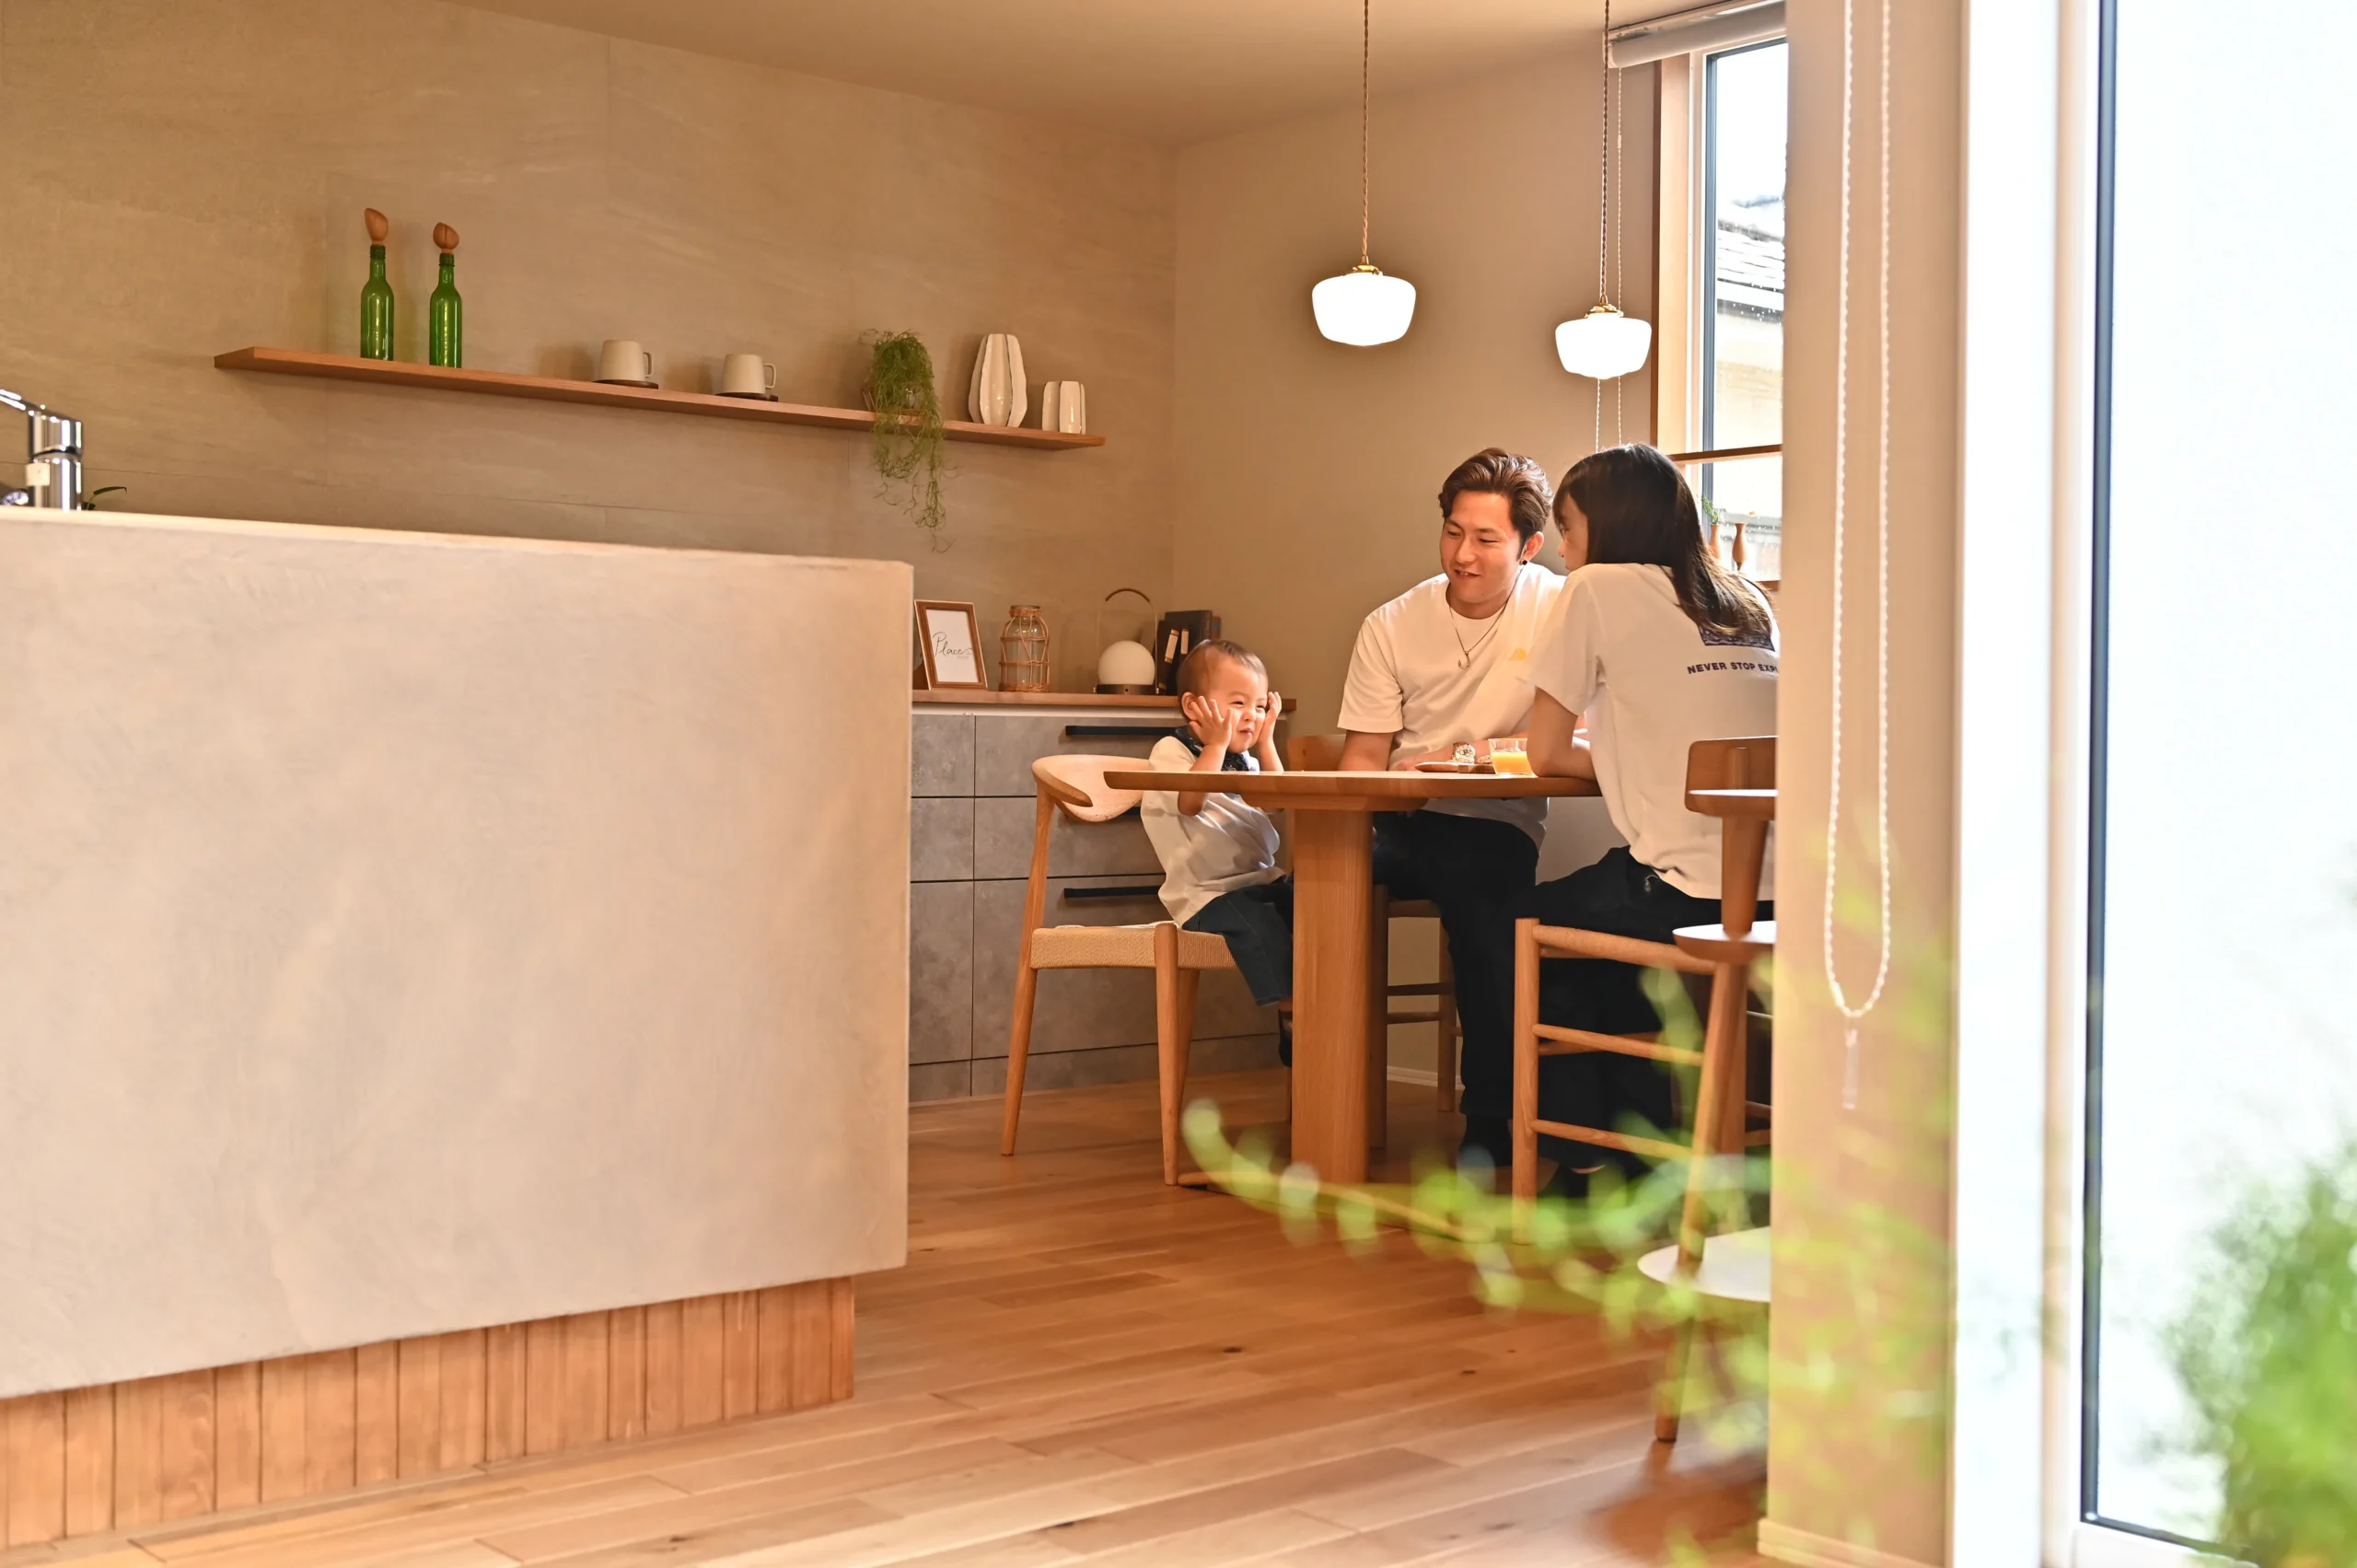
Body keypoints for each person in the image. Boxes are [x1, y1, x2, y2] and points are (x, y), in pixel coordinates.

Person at [1509, 443, 1780, 1188]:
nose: (1563, 549)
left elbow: (1544, 752)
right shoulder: (1746, 598)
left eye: (1568, 528)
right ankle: (1644, 1143)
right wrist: (1653, 761)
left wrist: (1635, 764)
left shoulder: (1595, 588)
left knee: (1523, 919)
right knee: (1605, 915)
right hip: (1782, 894)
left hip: (1690, 892)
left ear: (1607, 523)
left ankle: (1595, 1154)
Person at [1335, 449, 1567, 1158]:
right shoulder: (1391, 623)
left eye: (1486, 539)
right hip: (1401, 815)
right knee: (1305, 887)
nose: (1463, 555)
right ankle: (1319, 1074)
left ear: (1530, 545)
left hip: (1494, 822)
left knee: (1486, 920)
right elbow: (1364, 760)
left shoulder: (1561, 611)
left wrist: (1457, 759)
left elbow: (1572, 737)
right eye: (1453, 532)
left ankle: (1490, 1123)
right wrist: (1362, 818)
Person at [1140, 639, 1295, 1016]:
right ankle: (1292, 1012)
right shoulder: (1171, 752)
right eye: (1239, 703)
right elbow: (1190, 802)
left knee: (1316, 904)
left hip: (1261, 882)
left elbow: (1276, 800)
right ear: (1193, 706)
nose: (1251, 716)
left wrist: (1267, 742)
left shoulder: (1244, 759)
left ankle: (1328, 1005)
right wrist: (1216, 746)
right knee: (1260, 924)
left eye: (1260, 706)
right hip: (1207, 897)